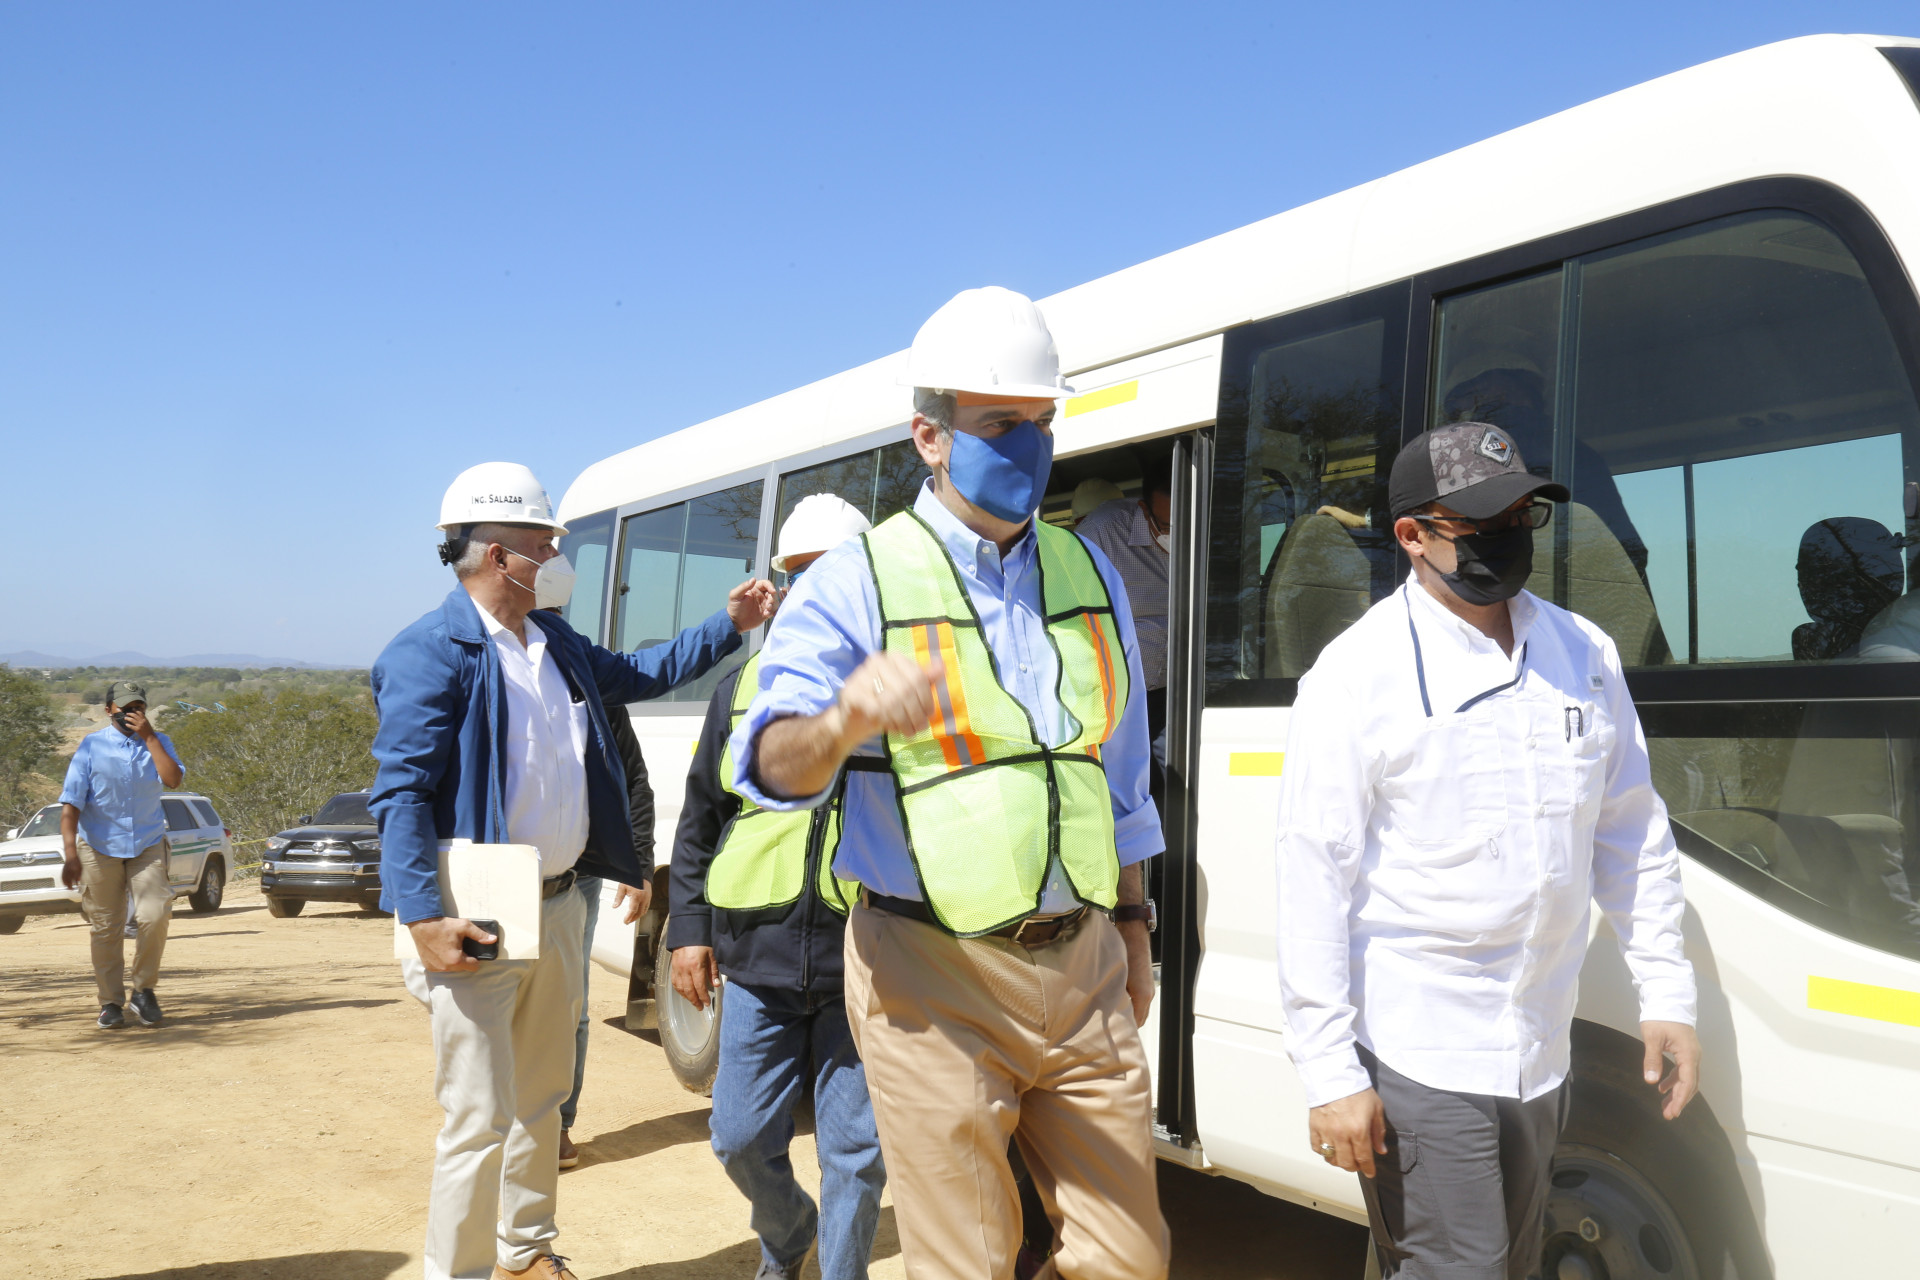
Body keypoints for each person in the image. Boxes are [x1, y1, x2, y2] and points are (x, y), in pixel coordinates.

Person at [736, 286, 1169, 1280]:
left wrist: (1134, 925)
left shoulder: (1089, 571)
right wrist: (844, 720)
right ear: (929, 436)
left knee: (1130, 1257)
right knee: (968, 1259)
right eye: (1001, 424)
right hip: (928, 969)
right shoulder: (857, 578)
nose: (1031, 446)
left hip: (1085, 961)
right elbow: (766, 764)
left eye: (1043, 422)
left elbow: (1119, 772)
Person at [1275, 421, 1702, 1280]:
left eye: (1520, 516)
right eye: (1480, 524)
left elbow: (1630, 831)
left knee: (1508, 1263)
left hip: (1542, 1043)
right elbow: (1313, 877)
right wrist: (1329, 1072)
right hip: (1421, 1044)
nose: (1508, 536)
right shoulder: (1357, 675)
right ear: (1412, 536)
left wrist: (1667, 991)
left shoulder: (1583, 654)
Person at [372, 461, 775, 1280]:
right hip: (475, 911)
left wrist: (728, 623)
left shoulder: (554, 643)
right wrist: (422, 917)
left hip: (558, 905)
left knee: (542, 1096)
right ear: (495, 554)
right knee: (477, 1114)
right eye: (542, 542)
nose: (557, 554)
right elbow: (401, 794)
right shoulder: (428, 653)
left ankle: (524, 1253)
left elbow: (646, 673)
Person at [667, 493, 886, 1280]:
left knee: (857, 1154)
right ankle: (790, 1235)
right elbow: (701, 816)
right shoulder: (743, 687)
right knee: (737, 1137)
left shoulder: (898, 690)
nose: (810, 589)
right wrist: (687, 931)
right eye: (797, 574)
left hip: (866, 960)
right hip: (757, 958)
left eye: (830, 573)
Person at [556, 632, 656, 1171]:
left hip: (578, 876)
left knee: (570, 1005)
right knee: (499, 1003)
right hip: (499, 874)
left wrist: (639, 864)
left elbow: (634, 780)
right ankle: (498, 1122)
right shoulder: (486, 677)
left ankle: (557, 1124)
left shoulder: (590, 687)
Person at [58, 680, 185, 1029]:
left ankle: (143, 992)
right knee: (106, 928)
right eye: (125, 708)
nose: (132, 713)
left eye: (138, 707)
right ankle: (110, 1003)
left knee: (155, 915)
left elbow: (173, 780)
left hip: (147, 843)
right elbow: (71, 804)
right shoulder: (91, 745)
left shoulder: (159, 741)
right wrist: (70, 855)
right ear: (108, 710)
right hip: (99, 847)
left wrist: (150, 737)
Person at [1074, 462, 1172, 811]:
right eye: (1166, 526)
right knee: (1131, 791)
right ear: (1144, 509)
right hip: (1122, 696)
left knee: (1175, 783)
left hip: (1179, 690)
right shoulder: (1101, 534)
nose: (1175, 535)